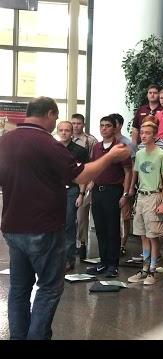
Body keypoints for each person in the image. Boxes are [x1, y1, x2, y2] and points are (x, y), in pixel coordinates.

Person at [0, 97, 130, 339]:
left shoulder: (5, 142)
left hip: (13, 226)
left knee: (19, 288)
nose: (57, 124)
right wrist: (110, 157)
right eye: (56, 118)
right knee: (49, 287)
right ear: (50, 114)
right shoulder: (47, 144)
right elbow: (80, 176)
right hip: (43, 227)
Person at [87, 116, 133, 278]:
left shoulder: (120, 147)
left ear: (114, 128)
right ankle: (103, 262)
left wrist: (125, 194)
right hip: (97, 191)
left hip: (113, 191)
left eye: (108, 126)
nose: (104, 128)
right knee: (100, 229)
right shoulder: (97, 147)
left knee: (112, 229)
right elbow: (94, 169)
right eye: (102, 126)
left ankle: (113, 264)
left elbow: (128, 172)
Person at [127, 120, 163, 286]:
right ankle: (144, 267)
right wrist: (131, 192)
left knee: (153, 235)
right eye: (142, 132)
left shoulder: (161, 154)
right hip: (141, 196)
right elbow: (135, 174)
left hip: (154, 195)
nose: (143, 135)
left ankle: (153, 269)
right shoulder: (139, 153)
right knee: (143, 234)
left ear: (155, 135)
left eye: (147, 133)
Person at [56, 120, 90, 272]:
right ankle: (56, 258)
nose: (64, 133)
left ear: (72, 132)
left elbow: (82, 174)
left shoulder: (79, 151)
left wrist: (81, 194)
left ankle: (69, 259)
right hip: (54, 190)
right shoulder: (51, 148)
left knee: (69, 224)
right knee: (54, 225)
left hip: (71, 191)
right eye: (61, 130)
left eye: (67, 130)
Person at [71, 113, 97, 259]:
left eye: (78, 123)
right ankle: (71, 243)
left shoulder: (90, 140)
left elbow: (93, 162)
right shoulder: (64, 140)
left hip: (85, 182)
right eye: (73, 123)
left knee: (82, 215)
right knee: (70, 216)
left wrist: (91, 181)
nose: (76, 126)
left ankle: (82, 243)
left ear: (83, 124)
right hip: (70, 183)